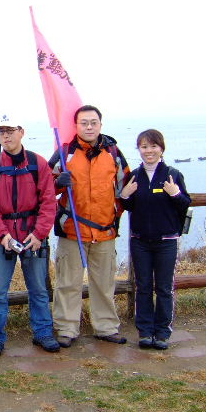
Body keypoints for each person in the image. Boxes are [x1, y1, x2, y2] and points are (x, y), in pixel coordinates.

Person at [48, 105, 130, 348]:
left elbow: (125, 187)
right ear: (76, 126)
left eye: (93, 122)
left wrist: (115, 214)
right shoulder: (65, 153)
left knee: (104, 284)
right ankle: (66, 328)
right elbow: (44, 187)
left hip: (105, 231)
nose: (89, 127)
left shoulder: (113, 152)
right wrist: (58, 184)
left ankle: (106, 327)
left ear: (100, 125)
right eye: (84, 123)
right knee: (68, 283)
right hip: (72, 230)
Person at [0, 115, 59, 357]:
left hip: (32, 235)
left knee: (39, 289)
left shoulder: (38, 163)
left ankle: (43, 332)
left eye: (10, 130)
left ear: (21, 132)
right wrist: (2, 236)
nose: (6, 136)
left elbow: (48, 202)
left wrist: (39, 234)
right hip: (3, 239)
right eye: (1, 131)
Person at [120, 129, 190, 350]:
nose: (148, 151)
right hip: (140, 240)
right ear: (139, 149)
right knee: (142, 287)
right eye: (144, 146)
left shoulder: (172, 174)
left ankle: (162, 332)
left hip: (166, 241)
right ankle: (145, 332)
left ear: (161, 148)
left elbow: (185, 204)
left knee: (164, 288)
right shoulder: (134, 176)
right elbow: (129, 206)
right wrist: (124, 195)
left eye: (153, 146)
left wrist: (175, 193)